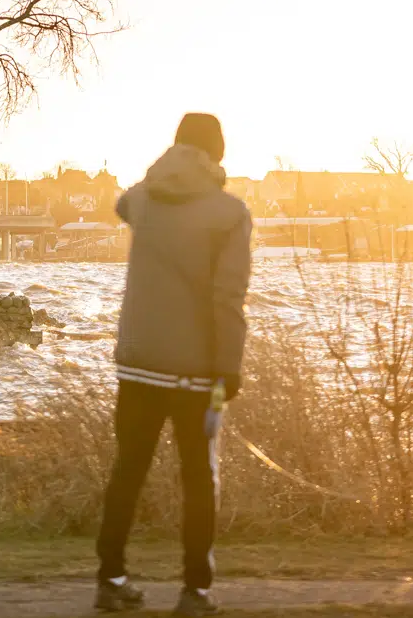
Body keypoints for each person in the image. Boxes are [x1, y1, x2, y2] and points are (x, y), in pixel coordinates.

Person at [95, 113, 253, 617]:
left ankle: (111, 579)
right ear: (218, 156)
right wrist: (229, 369)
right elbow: (228, 298)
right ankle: (195, 591)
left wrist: (163, 169)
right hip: (198, 376)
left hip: (137, 368)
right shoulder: (229, 213)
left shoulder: (143, 199)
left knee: (128, 472)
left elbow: (124, 202)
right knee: (199, 478)